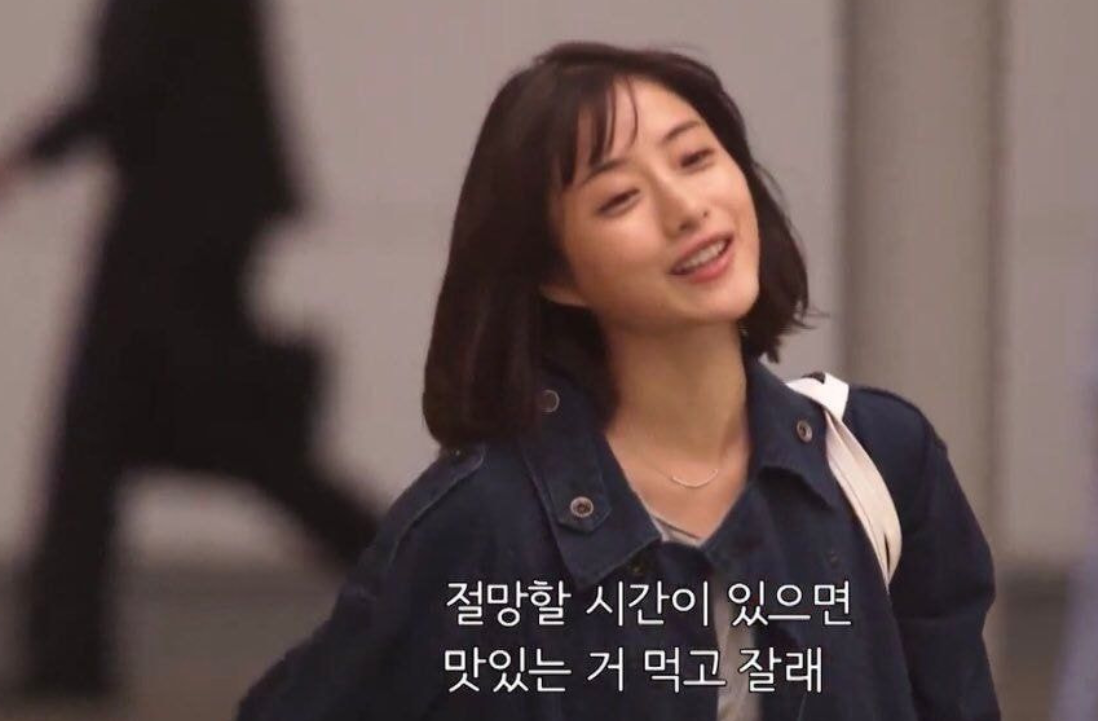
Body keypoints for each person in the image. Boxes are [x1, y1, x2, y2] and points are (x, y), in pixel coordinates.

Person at [234, 41, 1000, 720]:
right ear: (557, 275)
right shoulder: (485, 521)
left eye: (695, 159)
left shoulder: (879, 460)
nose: (686, 209)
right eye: (620, 198)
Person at [0, 0, 379, 701]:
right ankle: (65, 654)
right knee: (219, 440)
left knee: (117, 434)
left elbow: (136, 75)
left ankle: (66, 657)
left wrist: (33, 150)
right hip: (194, 208)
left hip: (174, 219)